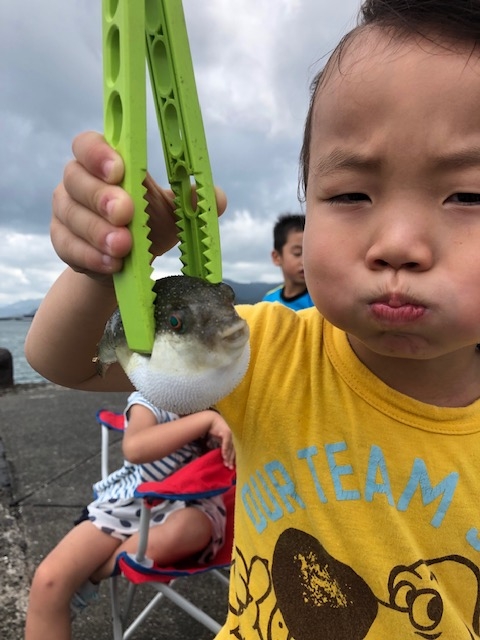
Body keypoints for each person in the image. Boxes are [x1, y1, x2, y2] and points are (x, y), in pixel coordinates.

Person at [24, 0, 480, 636]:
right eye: (351, 193)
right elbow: (64, 360)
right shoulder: (264, 349)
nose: (398, 243)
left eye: (468, 195)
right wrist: (106, 269)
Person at [24, 391, 234, 640]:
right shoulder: (151, 398)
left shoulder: (227, 397)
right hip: (127, 504)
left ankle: (92, 574)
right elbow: (135, 448)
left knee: (189, 529)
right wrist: (206, 420)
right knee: (48, 580)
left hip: (194, 505)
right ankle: (79, 581)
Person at [262, 213, 314, 310]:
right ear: (277, 257)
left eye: (311, 253)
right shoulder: (269, 301)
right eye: (297, 253)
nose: (305, 261)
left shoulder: (320, 301)